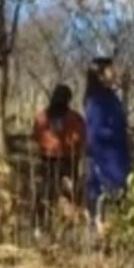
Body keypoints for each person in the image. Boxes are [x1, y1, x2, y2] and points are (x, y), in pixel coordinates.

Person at [33, 83, 86, 233]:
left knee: (45, 193)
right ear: (68, 99)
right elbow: (80, 139)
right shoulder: (75, 118)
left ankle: (40, 226)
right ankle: (65, 228)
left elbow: (36, 137)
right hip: (68, 161)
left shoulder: (42, 116)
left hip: (47, 160)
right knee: (68, 195)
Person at [83, 57, 131, 227]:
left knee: (118, 200)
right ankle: (97, 237)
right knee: (103, 200)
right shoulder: (96, 101)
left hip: (118, 156)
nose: (114, 73)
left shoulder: (111, 97)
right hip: (105, 159)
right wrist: (116, 135)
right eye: (110, 70)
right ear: (100, 75)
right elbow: (95, 133)